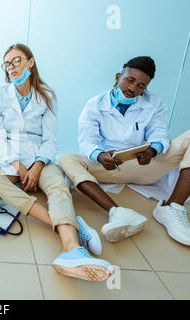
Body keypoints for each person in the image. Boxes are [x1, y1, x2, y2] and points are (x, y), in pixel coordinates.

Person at [0, 43, 113, 282]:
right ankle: (71, 225)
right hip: (10, 158)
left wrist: (38, 165)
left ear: (30, 62)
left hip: (40, 156)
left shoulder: (47, 94)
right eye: (7, 63)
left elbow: (51, 139)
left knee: (59, 186)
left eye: (16, 61)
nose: (11, 67)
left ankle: (71, 249)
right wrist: (18, 166)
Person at [59, 56, 190, 245]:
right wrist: (100, 155)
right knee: (67, 158)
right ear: (118, 76)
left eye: (141, 86)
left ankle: (172, 207)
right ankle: (118, 213)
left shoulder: (155, 103)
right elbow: (87, 141)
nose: (133, 89)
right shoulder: (95, 105)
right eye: (130, 80)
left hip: (146, 165)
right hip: (111, 168)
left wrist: (153, 150)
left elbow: (160, 132)